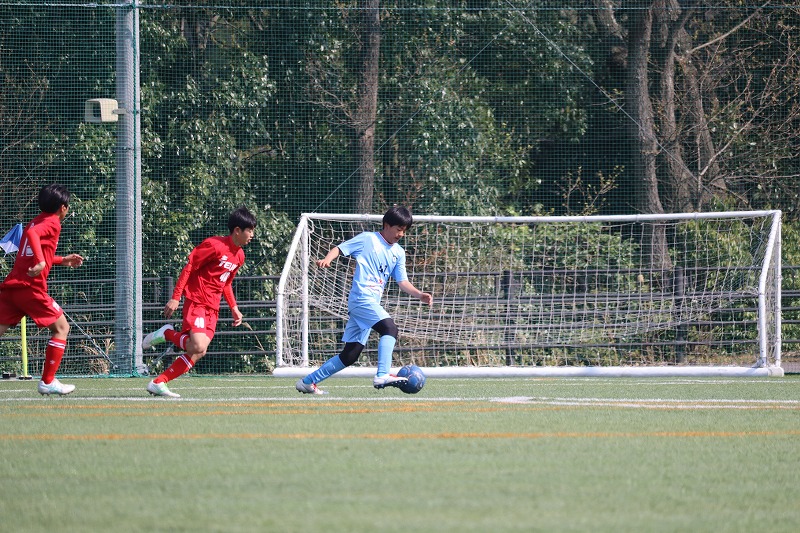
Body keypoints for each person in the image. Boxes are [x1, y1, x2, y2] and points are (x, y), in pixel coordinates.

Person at [296, 206, 432, 395]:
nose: (401, 234)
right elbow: (339, 248)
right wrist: (328, 259)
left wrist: (419, 294)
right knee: (390, 329)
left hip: (370, 304)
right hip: (361, 298)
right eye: (398, 229)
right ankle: (382, 374)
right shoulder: (368, 239)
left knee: (350, 354)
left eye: (404, 231)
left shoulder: (398, 253)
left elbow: (402, 282)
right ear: (386, 225)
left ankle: (308, 382)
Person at [142, 206, 256, 398]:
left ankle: (158, 382)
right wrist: (176, 297)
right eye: (250, 230)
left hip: (213, 308)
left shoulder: (240, 256)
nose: (252, 235)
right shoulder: (215, 245)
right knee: (198, 346)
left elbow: (226, 283)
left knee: (198, 351)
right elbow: (190, 267)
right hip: (197, 301)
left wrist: (234, 308)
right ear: (237, 230)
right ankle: (167, 333)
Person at [0, 184, 85, 395]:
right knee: (62, 328)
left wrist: (61, 260)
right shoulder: (52, 223)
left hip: (13, 287)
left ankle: (48, 381)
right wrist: (40, 262)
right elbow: (33, 236)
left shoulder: (36, 220)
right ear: (63, 207)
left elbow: (32, 244)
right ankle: (48, 381)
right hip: (30, 288)